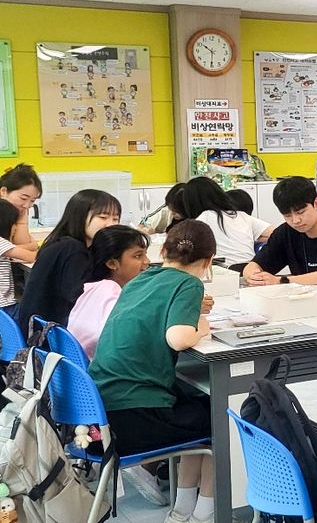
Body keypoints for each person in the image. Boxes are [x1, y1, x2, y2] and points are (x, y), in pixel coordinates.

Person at [88, 220, 216, 521]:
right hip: (133, 415)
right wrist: (201, 326)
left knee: (198, 404)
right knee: (219, 415)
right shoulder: (189, 283)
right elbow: (178, 338)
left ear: (162, 252)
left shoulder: (140, 280)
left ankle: (183, 508)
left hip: (102, 412)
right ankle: (206, 510)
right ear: (209, 261)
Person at [18, 190, 120, 336]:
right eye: (103, 217)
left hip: (36, 330)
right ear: (80, 216)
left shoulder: (60, 242)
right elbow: (80, 301)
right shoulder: (74, 250)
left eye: (115, 219)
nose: (111, 224)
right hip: (49, 337)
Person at [243, 176, 317, 297]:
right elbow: (254, 265)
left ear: (316, 204)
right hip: (304, 301)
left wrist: (281, 281)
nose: (295, 220)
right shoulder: (285, 233)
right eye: (287, 215)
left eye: (300, 212)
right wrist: (253, 277)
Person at [68, 226, 151, 361]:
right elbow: (127, 340)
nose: (147, 261)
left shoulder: (91, 288)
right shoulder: (112, 293)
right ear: (112, 263)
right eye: (138, 256)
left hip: (81, 366)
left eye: (145, 254)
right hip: (99, 368)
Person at [181, 177, 273, 268]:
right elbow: (274, 234)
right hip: (250, 269)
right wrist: (250, 239)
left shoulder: (203, 218)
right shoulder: (240, 215)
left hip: (225, 270)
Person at [0, 200, 38, 320]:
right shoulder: (1, 243)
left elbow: (19, 249)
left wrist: (33, 246)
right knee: (35, 315)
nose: (16, 228)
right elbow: (31, 257)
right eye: (14, 223)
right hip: (5, 306)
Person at [0, 164, 43, 251]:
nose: (27, 205)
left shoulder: (16, 213)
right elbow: (28, 248)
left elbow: (25, 245)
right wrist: (32, 246)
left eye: (32, 201)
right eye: (23, 198)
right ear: (3, 191)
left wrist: (22, 221)